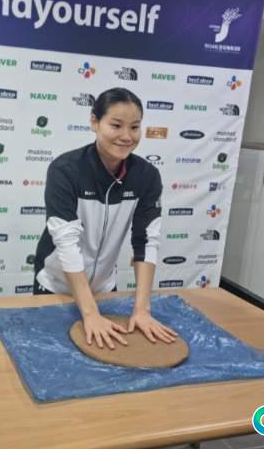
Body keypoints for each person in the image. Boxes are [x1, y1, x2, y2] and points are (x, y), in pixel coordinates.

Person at [33, 87, 178, 350]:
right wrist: (90, 314)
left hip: (103, 289)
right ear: (94, 122)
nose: (126, 136)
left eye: (135, 127)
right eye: (116, 125)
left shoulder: (146, 176)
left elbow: (146, 241)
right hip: (56, 287)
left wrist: (142, 310)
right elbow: (66, 243)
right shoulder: (65, 170)